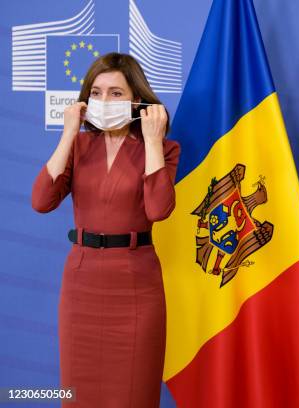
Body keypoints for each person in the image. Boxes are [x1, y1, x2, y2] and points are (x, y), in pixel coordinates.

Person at [31, 52, 180, 407]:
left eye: (116, 93)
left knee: (134, 394)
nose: (104, 100)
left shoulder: (164, 149)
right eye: (96, 92)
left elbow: (159, 209)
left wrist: (153, 141)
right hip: (82, 286)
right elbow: (41, 200)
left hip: (135, 287)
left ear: (137, 100)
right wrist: (69, 133)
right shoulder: (79, 146)